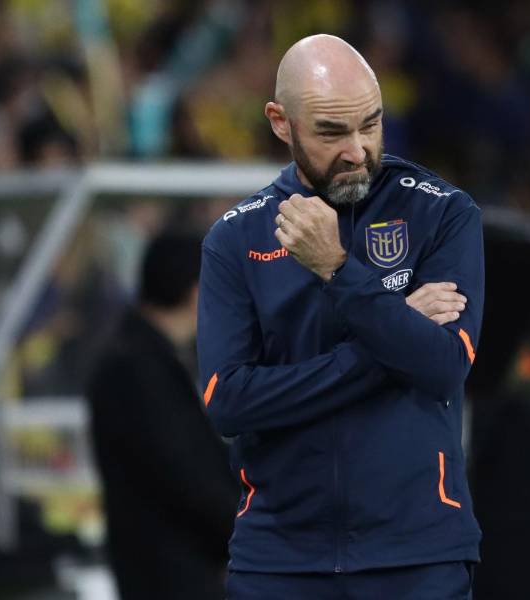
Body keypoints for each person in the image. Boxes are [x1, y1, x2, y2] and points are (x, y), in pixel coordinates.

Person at [197, 34, 483, 599]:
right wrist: (391, 336)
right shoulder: (235, 238)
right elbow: (228, 401)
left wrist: (339, 268)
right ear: (281, 123)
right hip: (279, 560)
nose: (357, 151)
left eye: (371, 125)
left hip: (418, 556)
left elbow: (443, 367)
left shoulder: (442, 213)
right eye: (331, 132)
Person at [86, 232, 239, 600]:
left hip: (171, 565)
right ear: (196, 291)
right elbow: (187, 474)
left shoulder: (141, 356)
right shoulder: (137, 367)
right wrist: (248, 532)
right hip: (172, 571)